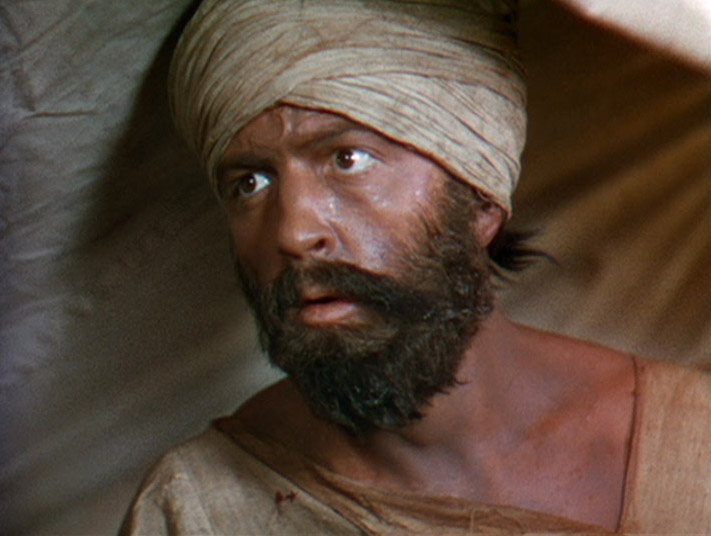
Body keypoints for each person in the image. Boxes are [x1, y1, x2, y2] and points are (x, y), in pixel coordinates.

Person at [121, 0, 711, 533]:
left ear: (479, 199)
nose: (294, 233)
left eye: (348, 159)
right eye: (251, 183)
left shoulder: (696, 445)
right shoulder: (199, 511)